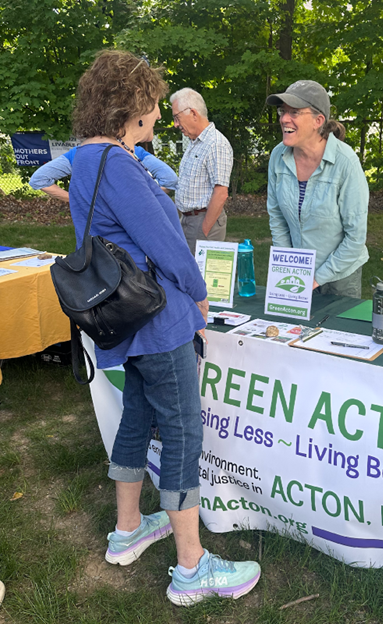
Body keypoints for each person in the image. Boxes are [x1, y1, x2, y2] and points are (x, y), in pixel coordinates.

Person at [69, 50, 260, 607]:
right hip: (158, 319)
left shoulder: (86, 158)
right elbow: (168, 243)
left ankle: (129, 529)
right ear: (131, 105)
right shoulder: (121, 165)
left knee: (139, 414)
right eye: (153, 102)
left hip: (126, 318)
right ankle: (191, 567)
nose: (158, 112)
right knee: (180, 433)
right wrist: (199, 294)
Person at [266, 80, 369, 298]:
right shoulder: (278, 156)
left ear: (318, 120)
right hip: (295, 274)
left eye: (294, 112)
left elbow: (355, 238)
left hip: (340, 277)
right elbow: (276, 216)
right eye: (282, 111)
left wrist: (316, 279)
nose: (284, 118)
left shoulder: (346, 162)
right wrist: (289, 266)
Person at [170, 88, 233, 253]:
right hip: (188, 221)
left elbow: (221, 192)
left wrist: (205, 230)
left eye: (177, 118)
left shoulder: (216, 143)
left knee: (202, 277)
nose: (176, 125)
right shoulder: (195, 143)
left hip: (203, 222)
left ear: (193, 113)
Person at [29, 145, 178, 201]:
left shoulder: (79, 153)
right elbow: (170, 180)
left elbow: (39, 179)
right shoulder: (133, 152)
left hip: (94, 224)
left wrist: (75, 200)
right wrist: (142, 198)